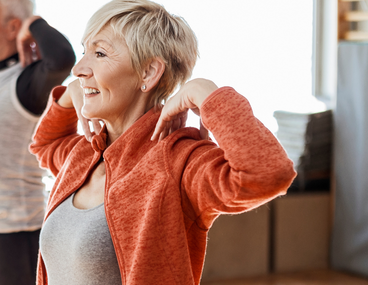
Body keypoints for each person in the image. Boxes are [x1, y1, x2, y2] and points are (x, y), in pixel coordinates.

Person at [29, 0, 297, 284]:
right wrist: (67, 97)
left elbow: (267, 174)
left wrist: (209, 95)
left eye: (99, 53)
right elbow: (44, 145)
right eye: (84, 51)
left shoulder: (178, 162)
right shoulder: (84, 153)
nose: (79, 68)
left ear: (148, 73)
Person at [0, 0, 75, 283]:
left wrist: (31, 23)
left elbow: (61, 58)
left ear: (12, 28)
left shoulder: (27, 84)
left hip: (14, 237)